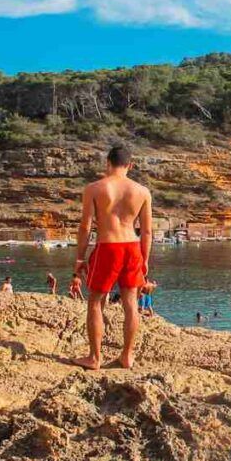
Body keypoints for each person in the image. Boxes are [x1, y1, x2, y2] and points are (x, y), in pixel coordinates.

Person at [73, 145, 152, 371]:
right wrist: (145, 259)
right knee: (131, 303)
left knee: (96, 302)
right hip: (132, 247)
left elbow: (85, 226)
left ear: (107, 163)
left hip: (108, 246)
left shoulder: (94, 188)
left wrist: (80, 257)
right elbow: (146, 231)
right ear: (130, 165)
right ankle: (127, 356)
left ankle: (94, 358)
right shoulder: (142, 191)